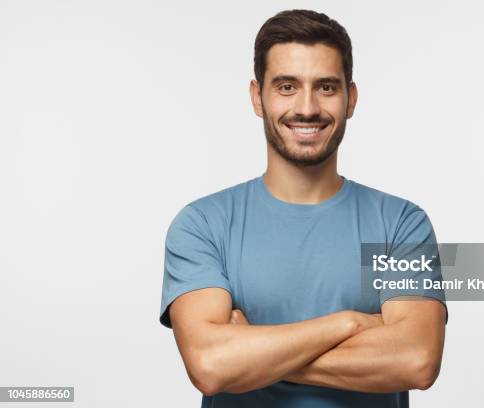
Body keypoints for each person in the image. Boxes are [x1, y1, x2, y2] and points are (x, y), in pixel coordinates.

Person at [159, 9, 448, 408]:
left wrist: (253, 350)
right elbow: (210, 365)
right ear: (257, 97)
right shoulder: (202, 225)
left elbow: (416, 360)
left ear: (352, 99)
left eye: (326, 87)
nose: (308, 108)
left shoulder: (401, 224)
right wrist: (348, 323)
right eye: (287, 86)